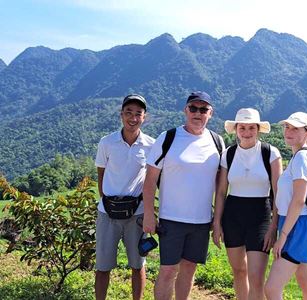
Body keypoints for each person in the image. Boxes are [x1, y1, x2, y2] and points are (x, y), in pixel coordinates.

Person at [142, 91, 225, 300]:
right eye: (193, 108)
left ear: (211, 113)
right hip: (172, 219)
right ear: (185, 110)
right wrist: (149, 214)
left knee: (189, 270)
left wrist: (217, 221)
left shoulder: (217, 142)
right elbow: (150, 179)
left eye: (203, 109)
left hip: (201, 221)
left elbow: (221, 184)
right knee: (168, 271)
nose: (198, 113)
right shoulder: (168, 138)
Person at [212, 108, 282, 300]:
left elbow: (278, 194)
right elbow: (220, 192)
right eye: (242, 127)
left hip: (261, 217)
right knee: (239, 271)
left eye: (251, 127)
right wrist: (217, 223)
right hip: (232, 216)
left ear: (258, 129)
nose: (247, 132)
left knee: (256, 278)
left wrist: (273, 226)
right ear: (236, 129)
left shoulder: (271, 153)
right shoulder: (228, 154)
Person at [94, 94, 155, 300]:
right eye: (128, 112)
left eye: (138, 113)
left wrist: (149, 212)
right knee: (102, 266)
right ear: (121, 115)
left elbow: (152, 180)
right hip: (107, 213)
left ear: (144, 117)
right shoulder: (107, 142)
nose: (133, 117)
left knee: (138, 265)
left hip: (136, 214)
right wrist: (108, 202)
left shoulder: (150, 145)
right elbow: (100, 176)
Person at [264, 112, 307, 300]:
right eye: (287, 127)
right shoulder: (300, 156)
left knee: (272, 289)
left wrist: (283, 236)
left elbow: (299, 199)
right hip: (297, 224)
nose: (288, 131)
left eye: (295, 128)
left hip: (297, 227)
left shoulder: (303, 158)